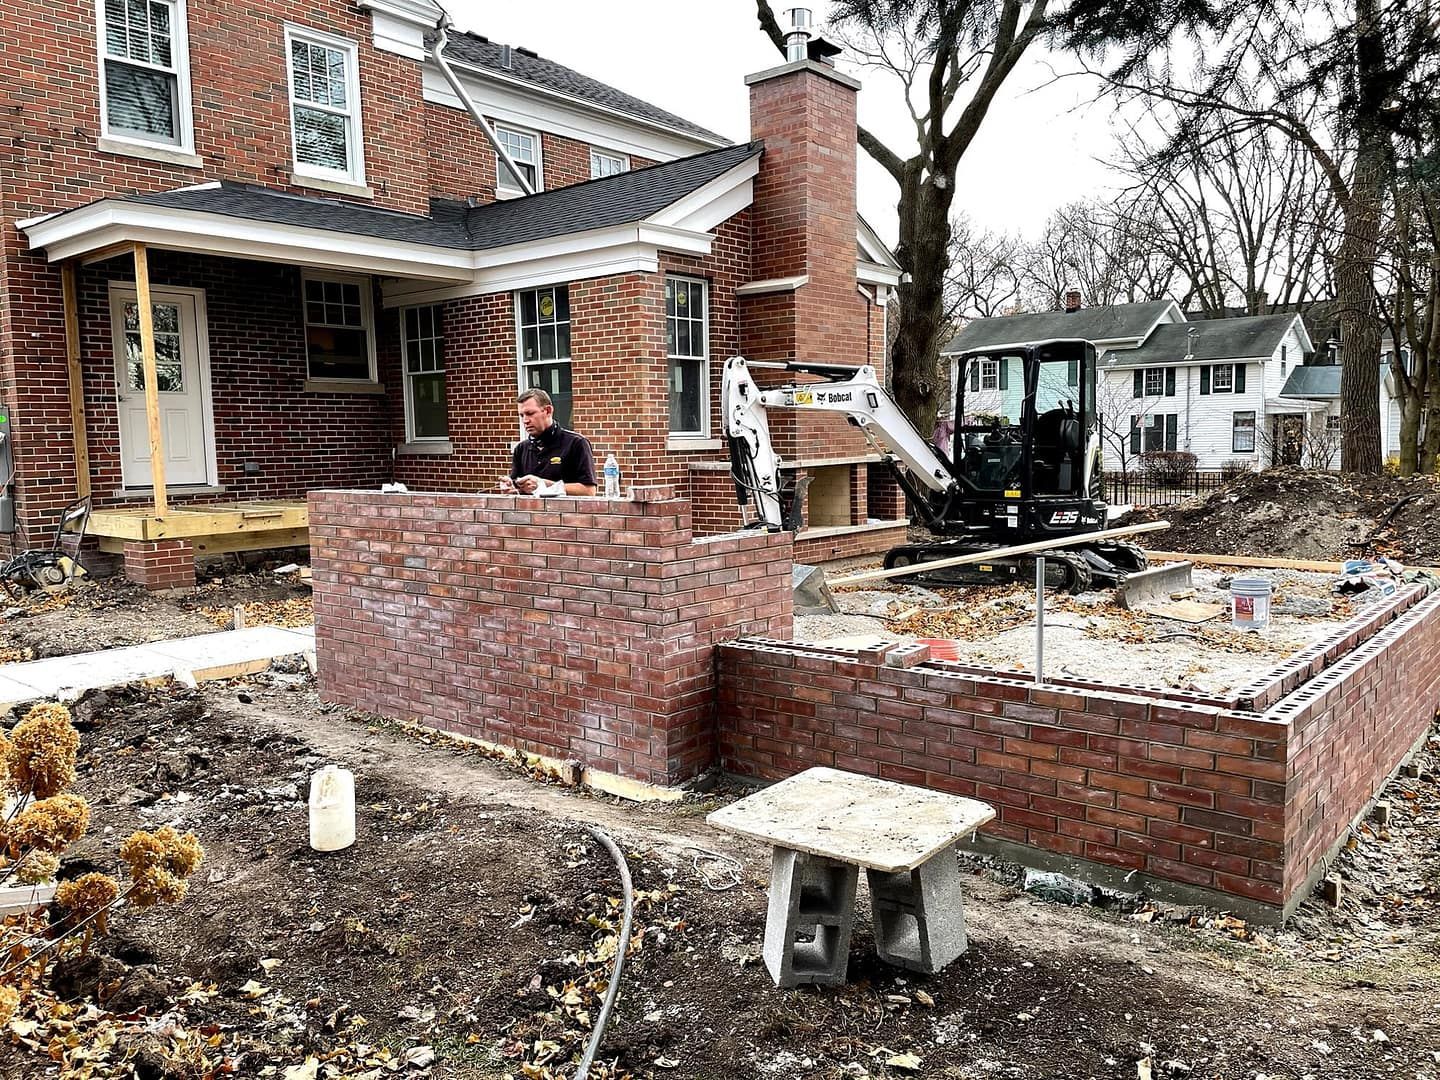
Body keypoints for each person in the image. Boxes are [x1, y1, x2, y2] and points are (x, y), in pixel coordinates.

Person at [499, 388, 597, 496]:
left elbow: (589, 491)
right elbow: (517, 489)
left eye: (530, 413)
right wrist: (511, 487)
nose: (525, 420)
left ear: (548, 411)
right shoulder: (521, 449)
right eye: (522, 415)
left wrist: (543, 485)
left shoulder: (576, 443)